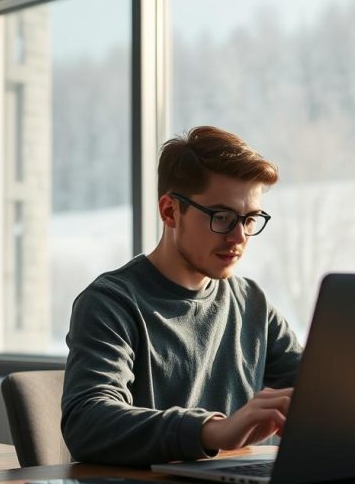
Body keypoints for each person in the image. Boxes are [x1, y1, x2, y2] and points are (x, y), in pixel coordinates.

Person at [61, 126, 303, 466]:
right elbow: (87, 423)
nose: (238, 237)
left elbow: (316, 393)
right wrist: (213, 430)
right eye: (222, 217)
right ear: (170, 211)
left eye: (249, 220)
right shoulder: (110, 303)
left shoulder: (252, 303)